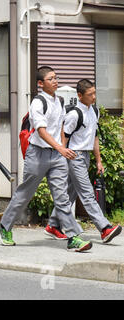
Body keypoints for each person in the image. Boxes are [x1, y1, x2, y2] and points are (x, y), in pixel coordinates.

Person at [0, 66, 92, 252]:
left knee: (62, 197)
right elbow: (41, 130)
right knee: (24, 194)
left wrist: (62, 148)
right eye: (51, 79)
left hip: (56, 156)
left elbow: (61, 127)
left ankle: (73, 237)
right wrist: (60, 148)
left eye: (56, 77)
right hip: (38, 154)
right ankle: (4, 226)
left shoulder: (60, 101)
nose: (55, 81)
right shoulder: (38, 103)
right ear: (41, 83)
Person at [45, 79, 121, 243]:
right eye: (90, 94)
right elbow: (63, 136)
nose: (93, 97)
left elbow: (94, 137)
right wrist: (62, 157)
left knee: (70, 193)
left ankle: (53, 225)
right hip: (74, 156)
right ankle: (105, 228)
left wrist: (98, 161)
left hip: (85, 156)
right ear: (80, 95)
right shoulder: (74, 114)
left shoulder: (94, 111)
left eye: (94, 93)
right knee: (87, 194)